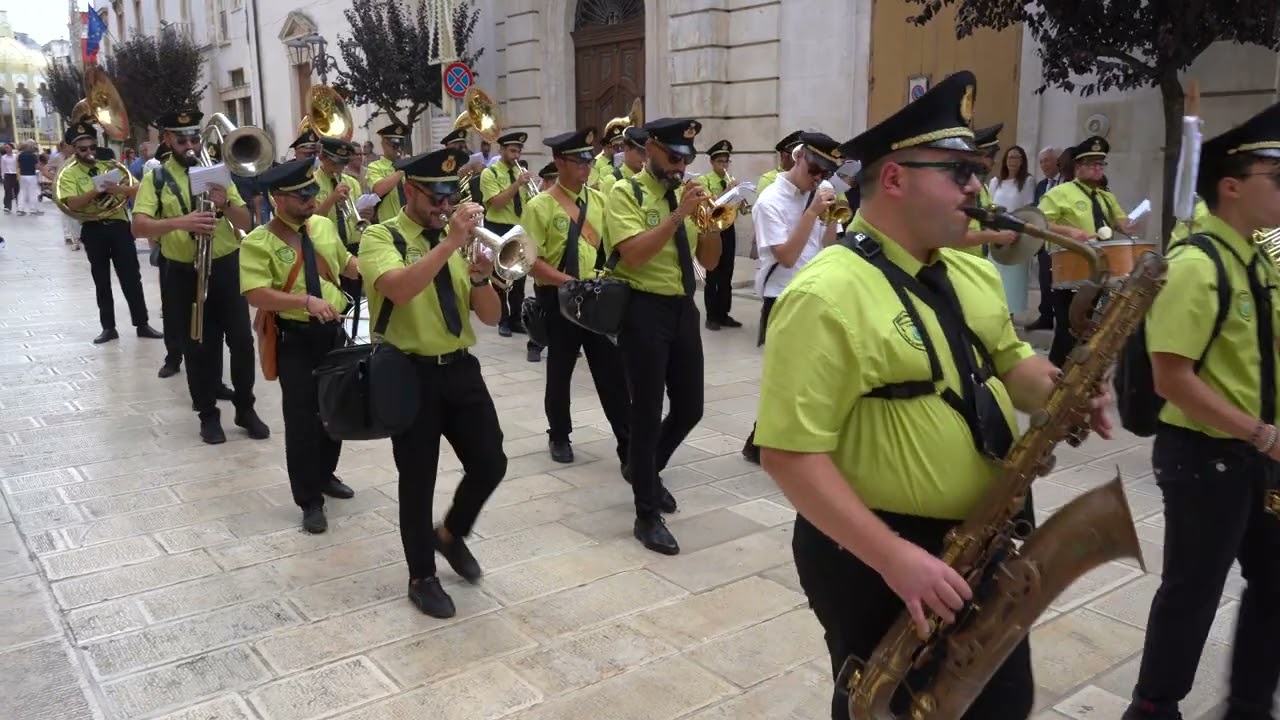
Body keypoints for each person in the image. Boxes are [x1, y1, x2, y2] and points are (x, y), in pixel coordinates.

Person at [754, 70, 1113, 720]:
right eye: (959, 171)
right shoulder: (823, 296)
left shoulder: (967, 268)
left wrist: (1063, 390)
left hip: (988, 540)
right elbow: (788, 454)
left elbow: (1009, 361)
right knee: (887, 706)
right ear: (894, 178)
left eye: (976, 169)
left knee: (999, 702)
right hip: (880, 554)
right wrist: (895, 558)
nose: (977, 186)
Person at [1122, 102, 1280, 720]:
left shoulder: (1258, 258)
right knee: (1193, 591)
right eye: (1276, 178)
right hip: (1208, 458)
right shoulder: (1197, 265)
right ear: (1232, 186)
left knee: (1273, 584)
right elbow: (1172, 378)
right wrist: (1261, 434)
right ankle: (1154, 707)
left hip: (1257, 457)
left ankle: (1249, 704)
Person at [358, 147, 508, 619]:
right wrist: (448, 245)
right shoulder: (380, 237)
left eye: (450, 196)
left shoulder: (460, 242)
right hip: (409, 371)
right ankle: (421, 575)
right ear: (410, 189)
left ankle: (450, 533)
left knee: (491, 461)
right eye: (435, 197)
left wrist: (483, 275)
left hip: (460, 368)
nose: (444, 207)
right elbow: (400, 288)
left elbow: (489, 316)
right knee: (417, 480)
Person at [606, 116, 722, 555]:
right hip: (642, 308)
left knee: (690, 406)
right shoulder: (625, 192)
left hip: (681, 307)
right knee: (647, 410)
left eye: (687, 159)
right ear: (650, 148)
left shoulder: (688, 197)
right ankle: (646, 514)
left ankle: (646, 471)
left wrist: (709, 224)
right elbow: (633, 255)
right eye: (673, 157)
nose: (680, 167)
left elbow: (708, 262)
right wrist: (678, 215)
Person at [132, 110, 270, 445]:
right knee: (197, 346)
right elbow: (139, 226)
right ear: (167, 139)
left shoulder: (220, 172)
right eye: (182, 140)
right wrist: (181, 223)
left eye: (195, 139)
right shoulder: (157, 178)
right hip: (182, 271)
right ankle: (208, 414)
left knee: (240, 342)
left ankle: (245, 407)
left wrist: (224, 205)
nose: (191, 146)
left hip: (225, 265)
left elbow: (247, 222)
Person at [240, 158, 361, 534]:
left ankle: (326, 474)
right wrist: (304, 302)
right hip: (295, 339)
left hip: (334, 334)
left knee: (336, 410)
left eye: (313, 191)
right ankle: (309, 499)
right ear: (277, 198)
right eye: (302, 194)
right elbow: (256, 293)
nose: (312, 198)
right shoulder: (260, 241)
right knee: (302, 420)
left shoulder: (323, 226)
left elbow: (347, 266)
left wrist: (383, 267)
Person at [524, 127, 631, 466]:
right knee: (560, 368)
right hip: (558, 299)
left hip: (595, 298)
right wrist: (568, 283)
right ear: (560, 163)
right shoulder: (539, 206)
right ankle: (559, 435)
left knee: (610, 370)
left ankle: (627, 438)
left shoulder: (599, 200)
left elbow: (614, 248)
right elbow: (529, 261)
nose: (587, 166)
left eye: (589, 159)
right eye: (580, 160)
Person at [740, 132, 843, 464]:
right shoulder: (770, 200)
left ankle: (767, 440)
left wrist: (828, 217)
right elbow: (785, 255)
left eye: (824, 173)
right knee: (787, 375)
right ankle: (761, 442)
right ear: (798, 157)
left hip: (815, 291)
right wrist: (812, 213)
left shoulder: (815, 194)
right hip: (781, 296)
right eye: (814, 169)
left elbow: (829, 246)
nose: (817, 178)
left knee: (807, 373)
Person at [56, 121, 164, 345]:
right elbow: (71, 204)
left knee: (132, 277)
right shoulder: (70, 173)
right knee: (101, 279)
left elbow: (140, 188)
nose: (89, 152)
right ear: (74, 150)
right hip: (93, 228)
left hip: (119, 226)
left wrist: (119, 189)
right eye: (83, 149)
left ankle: (142, 323)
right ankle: (108, 328)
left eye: (92, 147)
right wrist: (95, 190)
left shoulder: (111, 166)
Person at [1037, 135, 1137, 367]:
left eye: (1100, 165)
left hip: (1101, 271)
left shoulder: (1105, 197)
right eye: (1091, 164)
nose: (1097, 169)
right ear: (1078, 167)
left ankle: (1082, 377)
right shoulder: (1060, 193)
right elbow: (1039, 223)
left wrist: (1126, 225)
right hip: (1071, 271)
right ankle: (1055, 377)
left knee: (1094, 329)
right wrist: (1071, 233)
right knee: (1068, 331)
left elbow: (1119, 221)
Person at [480, 131, 536, 340]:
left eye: (519, 151)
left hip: (519, 227)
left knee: (519, 277)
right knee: (501, 277)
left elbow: (529, 202)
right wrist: (517, 184)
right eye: (512, 151)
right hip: (498, 228)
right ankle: (502, 319)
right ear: (501, 150)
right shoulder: (490, 174)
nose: (516, 155)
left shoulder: (521, 172)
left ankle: (515, 319)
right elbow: (496, 202)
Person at [697, 139, 743, 330]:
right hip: (713, 230)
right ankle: (711, 316)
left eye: (726, 162)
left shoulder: (730, 180)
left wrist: (740, 197)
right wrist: (728, 191)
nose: (724, 166)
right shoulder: (705, 180)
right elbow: (710, 204)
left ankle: (724, 313)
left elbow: (734, 207)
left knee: (727, 274)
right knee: (713, 274)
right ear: (712, 162)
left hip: (728, 229)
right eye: (720, 162)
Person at [364, 122, 409, 224]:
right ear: (384, 144)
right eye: (394, 146)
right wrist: (402, 170)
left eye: (400, 145)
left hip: (410, 224)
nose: (398, 149)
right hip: (388, 225)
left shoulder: (410, 165)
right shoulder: (375, 167)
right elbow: (379, 190)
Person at [756, 130, 804, 197]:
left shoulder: (804, 179)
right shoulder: (768, 179)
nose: (802, 160)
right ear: (785, 155)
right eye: (797, 156)